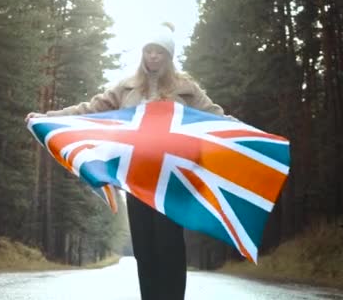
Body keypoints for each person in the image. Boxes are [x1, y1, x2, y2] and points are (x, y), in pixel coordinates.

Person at [25, 22, 226, 300]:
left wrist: (250, 135)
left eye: (159, 52)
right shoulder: (126, 88)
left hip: (172, 182)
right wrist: (49, 117)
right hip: (137, 179)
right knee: (145, 249)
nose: (153, 57)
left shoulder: (186, 89)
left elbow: (217, 118)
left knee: (169, 248)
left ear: (168, 56)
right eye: (149, 51)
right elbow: (90, 108)